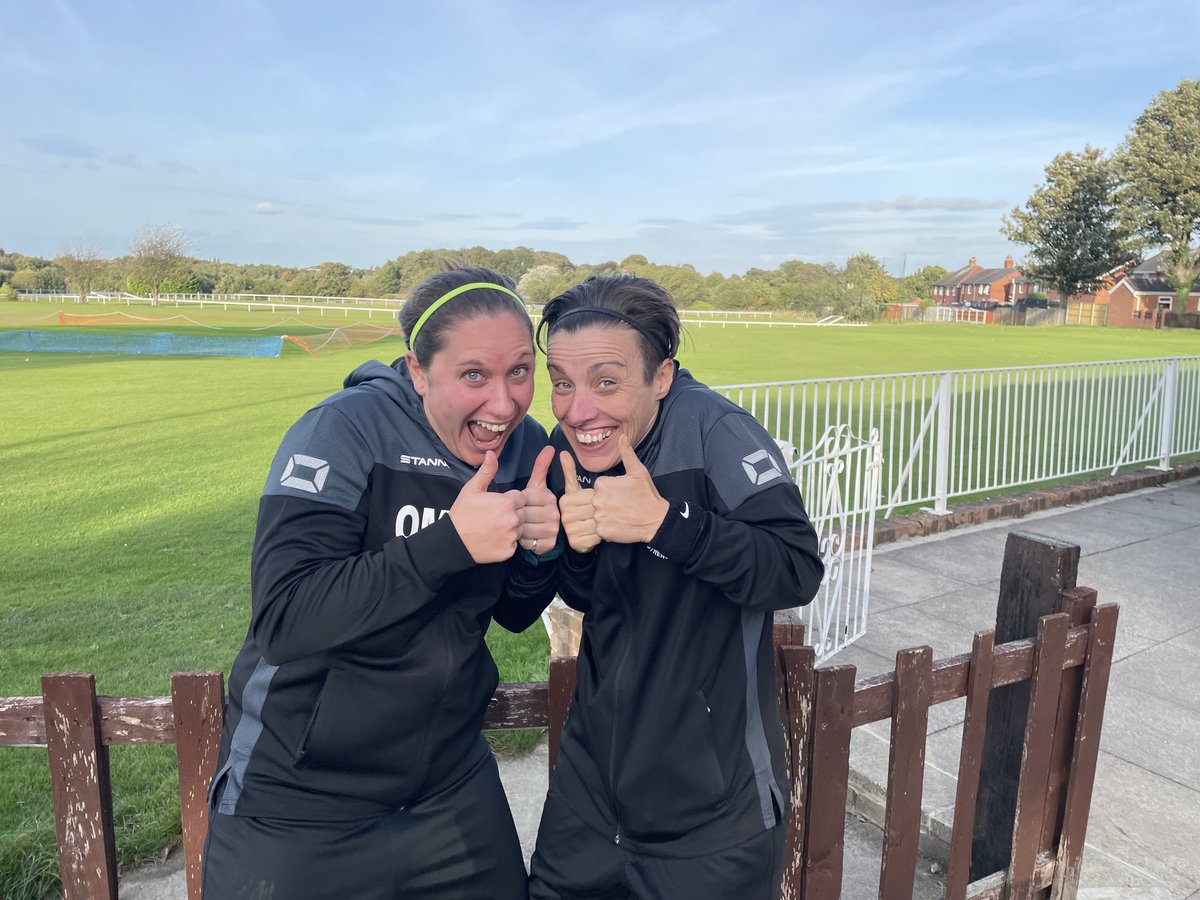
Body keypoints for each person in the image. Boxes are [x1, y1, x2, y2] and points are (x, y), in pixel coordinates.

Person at [202, 267, 561, 900]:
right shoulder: (344, 430)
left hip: (449, 786)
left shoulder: (525, 447)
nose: (503, 403)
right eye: (473, 374)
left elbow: (510, 612)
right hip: (300, 799)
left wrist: (536, 553)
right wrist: (449, 542)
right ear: (419, 371)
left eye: (519, 371)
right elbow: (287, 619)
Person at [528, 275, 825, 900]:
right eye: (561, 382)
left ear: (661, 376)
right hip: (588, 799)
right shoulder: (571, 448)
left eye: (606, 382)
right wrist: (574, 552)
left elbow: (795, 568)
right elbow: (595, 598)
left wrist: (667, 523)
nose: (578, 410)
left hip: (710, 815)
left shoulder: (718, 434)